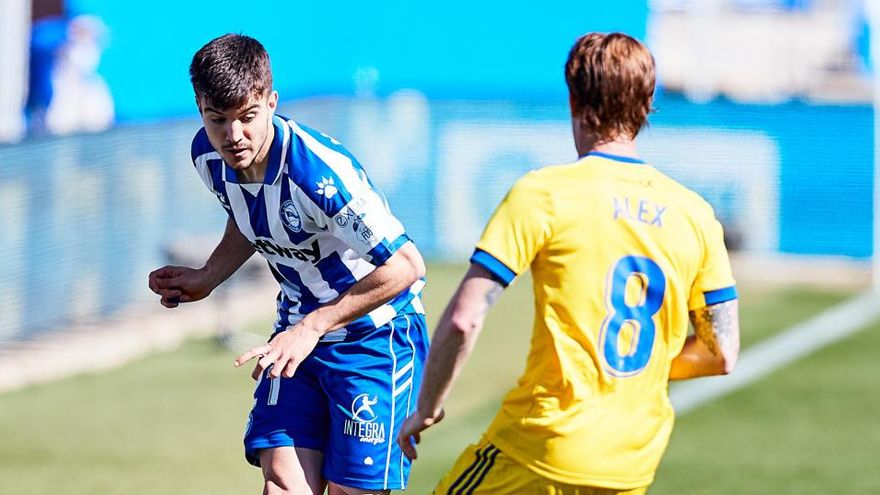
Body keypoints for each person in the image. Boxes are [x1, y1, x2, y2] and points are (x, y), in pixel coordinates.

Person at [397, 32, 740, 494]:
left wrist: (428, 406)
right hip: (631, 463)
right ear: (646, 104)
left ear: (576, 99)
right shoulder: (694, 214)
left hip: (540, 446)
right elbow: (723, 353)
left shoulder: (546, 193)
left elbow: (464, 318)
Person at [148, 34, 429, 495]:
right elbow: (250, 219)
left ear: (271, 102)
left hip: (376, 338)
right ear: (199, 108)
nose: (233, 136)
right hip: (297, 336)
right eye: (216, 120)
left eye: (247, 118)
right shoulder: (207, 155)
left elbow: (405, 266)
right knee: (283, 485)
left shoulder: (318, 175)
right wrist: (208, 277)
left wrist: (313, 326)